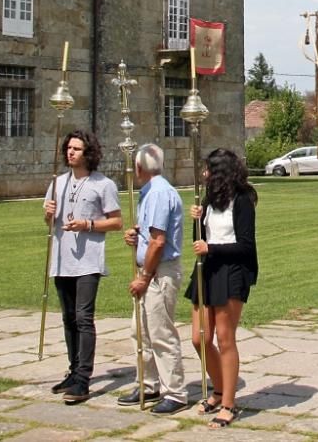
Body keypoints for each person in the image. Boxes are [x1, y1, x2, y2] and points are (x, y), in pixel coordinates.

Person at [43, 130, 122, 404]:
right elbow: (48, 222)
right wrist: (48, 214)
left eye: (77, 148)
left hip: (88, 261)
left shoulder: (103, 185)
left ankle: (84, 379)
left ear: (88, 153)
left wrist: (87, 224)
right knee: (68, 318)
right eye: (69, 148)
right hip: (62, 259)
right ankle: (73, 371)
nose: (71, 152)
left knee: (83, 318)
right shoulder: (58, 183)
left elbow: (116, 222)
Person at [186, 148, 259, 428]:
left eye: (207, 169)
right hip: (207, 270)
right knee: (199, 338)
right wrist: (197, 221)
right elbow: (198, 241)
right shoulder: (209, 200)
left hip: (232, 272)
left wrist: (211, 247)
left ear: (219, 172)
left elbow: (246, 245)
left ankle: (229, 403)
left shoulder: (241, 201)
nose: (203, 174)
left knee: (225, 339)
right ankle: (217, 388)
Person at [117, 144, 189, 413]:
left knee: (160, 332)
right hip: (151, 269)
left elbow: (159, 242)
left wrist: (145, 276)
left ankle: (175, 392)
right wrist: (135, 237)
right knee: (141, 331)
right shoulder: (149, 193)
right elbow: (150, 236)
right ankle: (148, 383)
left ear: (138, 168)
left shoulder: (158, 194)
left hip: (159, 272)